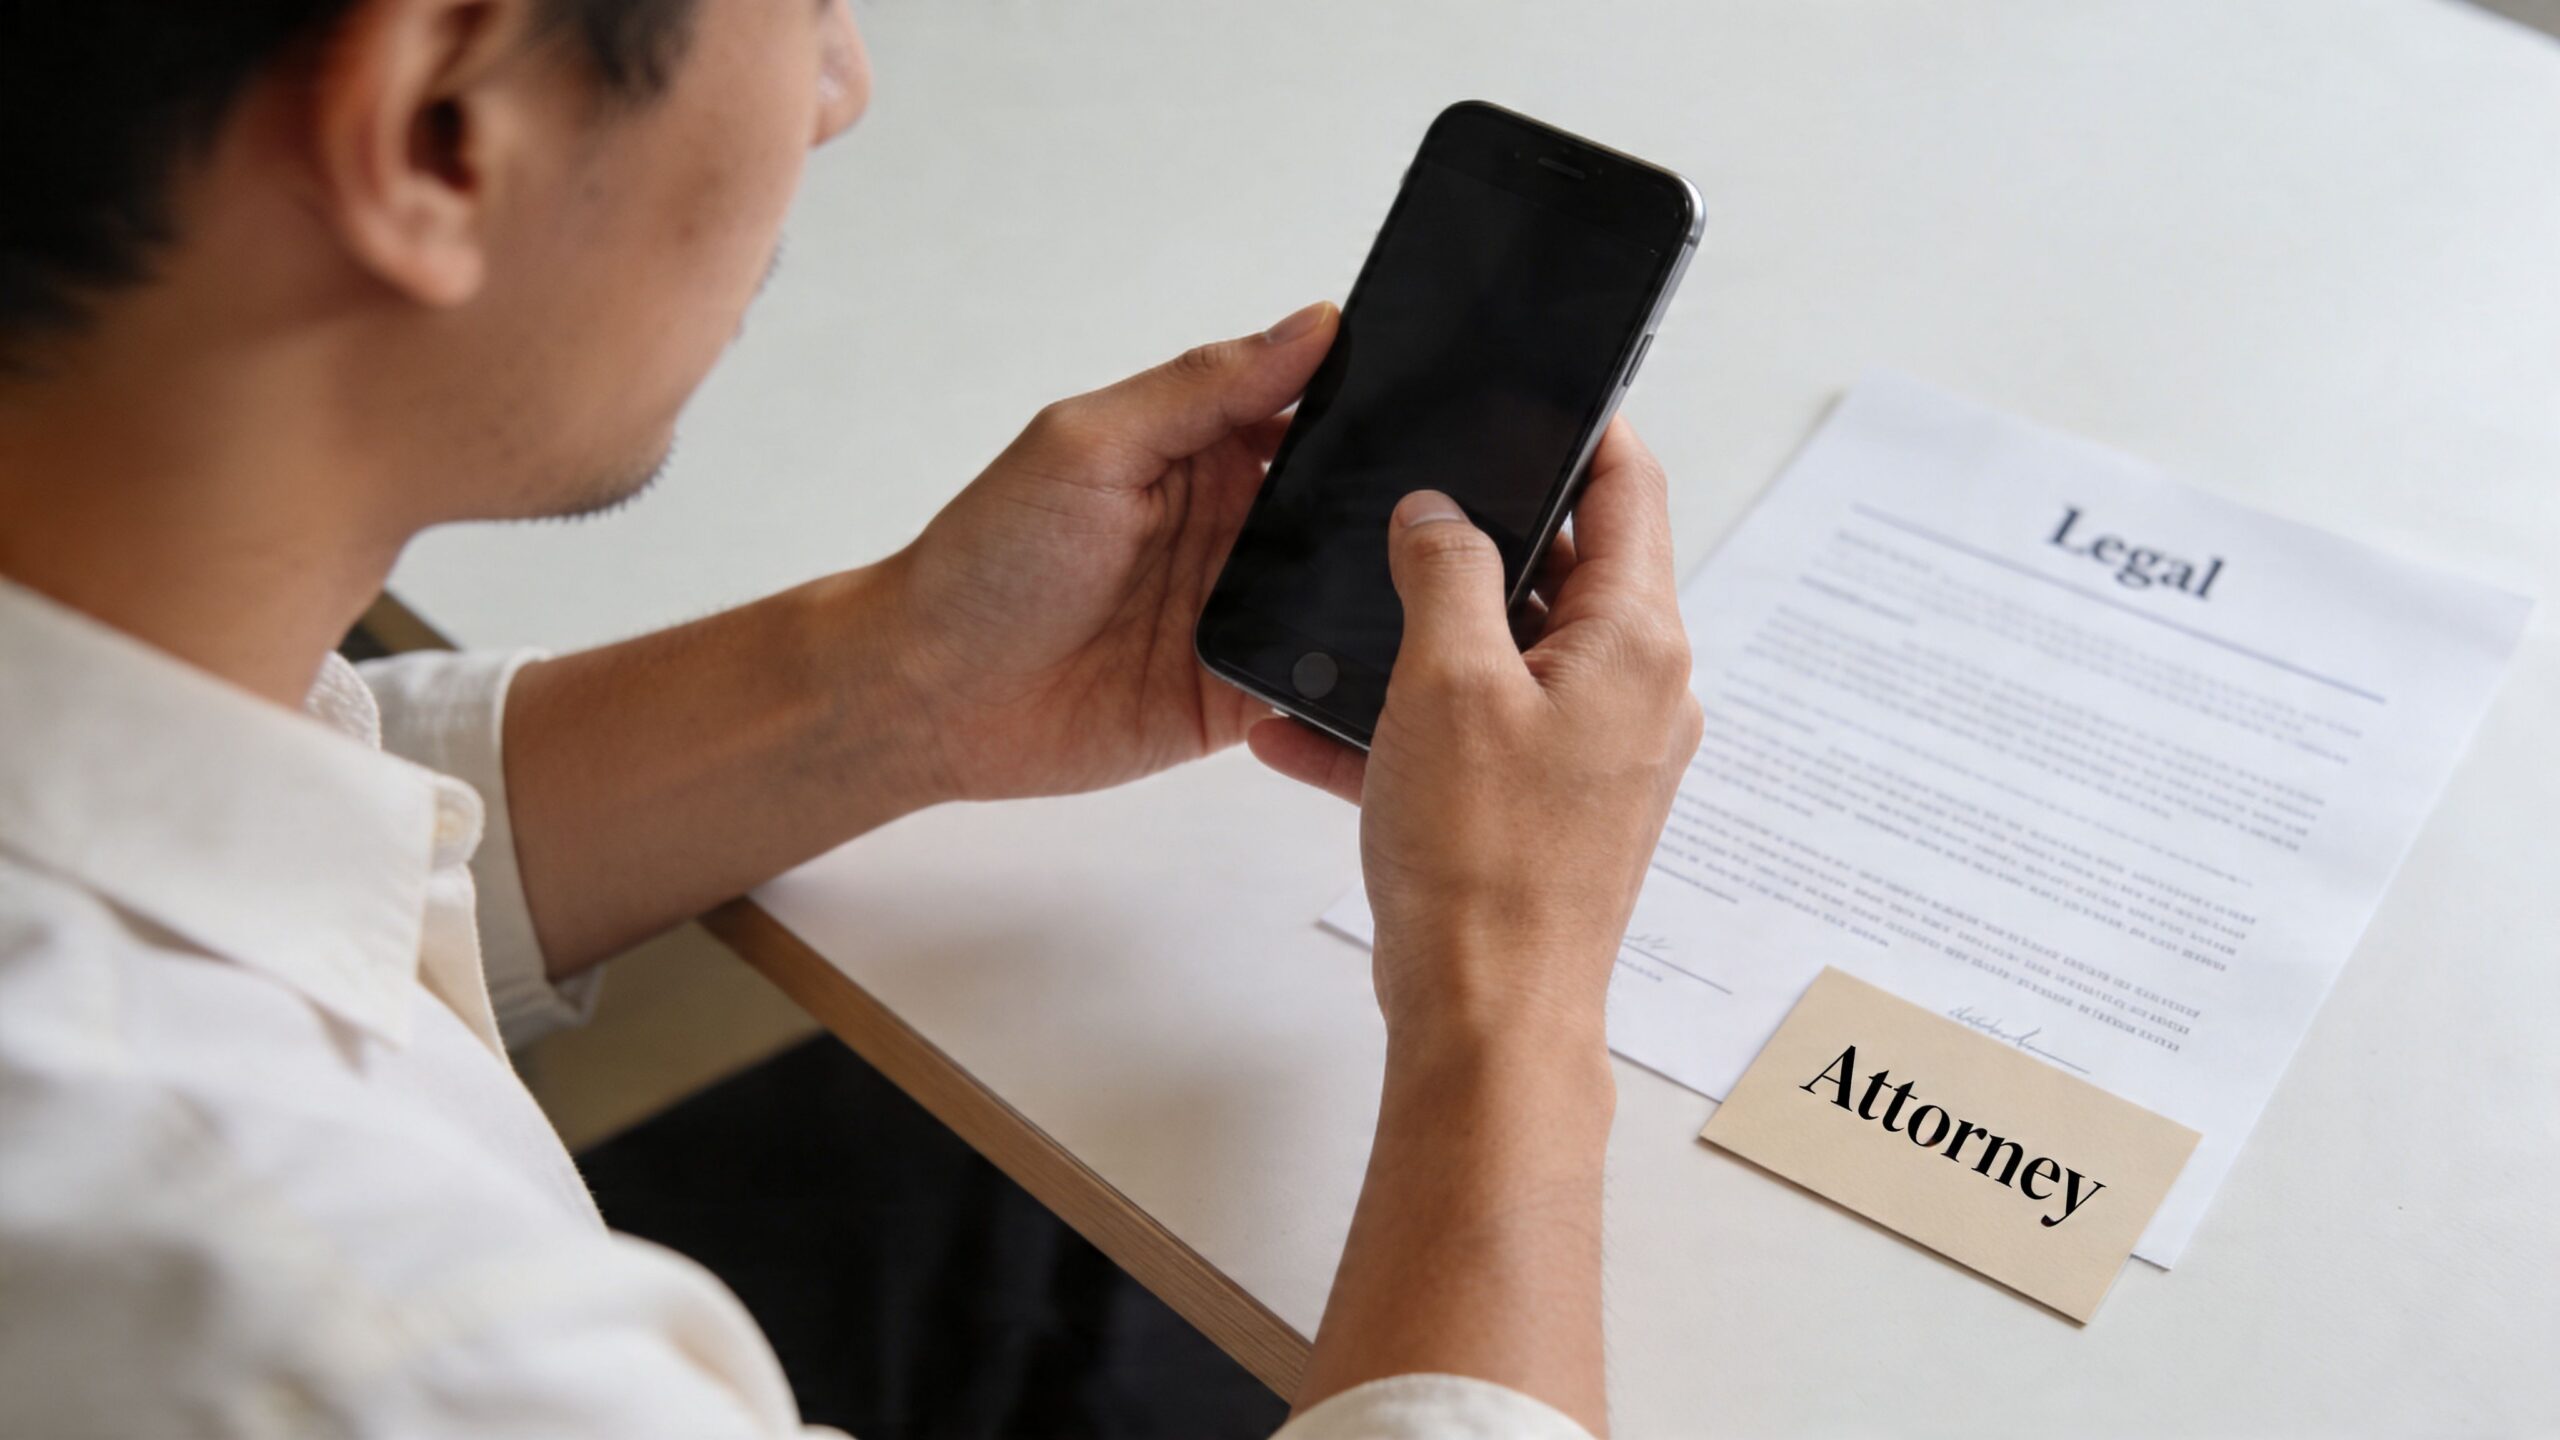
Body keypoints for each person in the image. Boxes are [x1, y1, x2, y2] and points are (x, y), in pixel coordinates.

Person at [0, 1, 1703, 1435]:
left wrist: (889, 687)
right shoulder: (371, 1339)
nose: (843, 87)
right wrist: (1508, 995)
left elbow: (232, 792)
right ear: (442, 128)